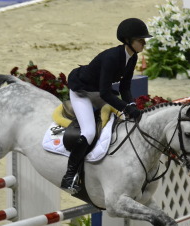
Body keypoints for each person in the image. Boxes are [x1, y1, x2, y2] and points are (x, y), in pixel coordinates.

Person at [60, 18, 152, 193]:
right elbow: (104, 93)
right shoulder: (111, 57)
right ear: (128, 41)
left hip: (100, 91)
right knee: (89, 132)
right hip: (83, 91)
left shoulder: (132, 57)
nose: (144, 43)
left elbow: (125, 87)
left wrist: (132, 105)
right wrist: (125, 108)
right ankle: (70, 175)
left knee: (122, 122)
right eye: (140, 40)